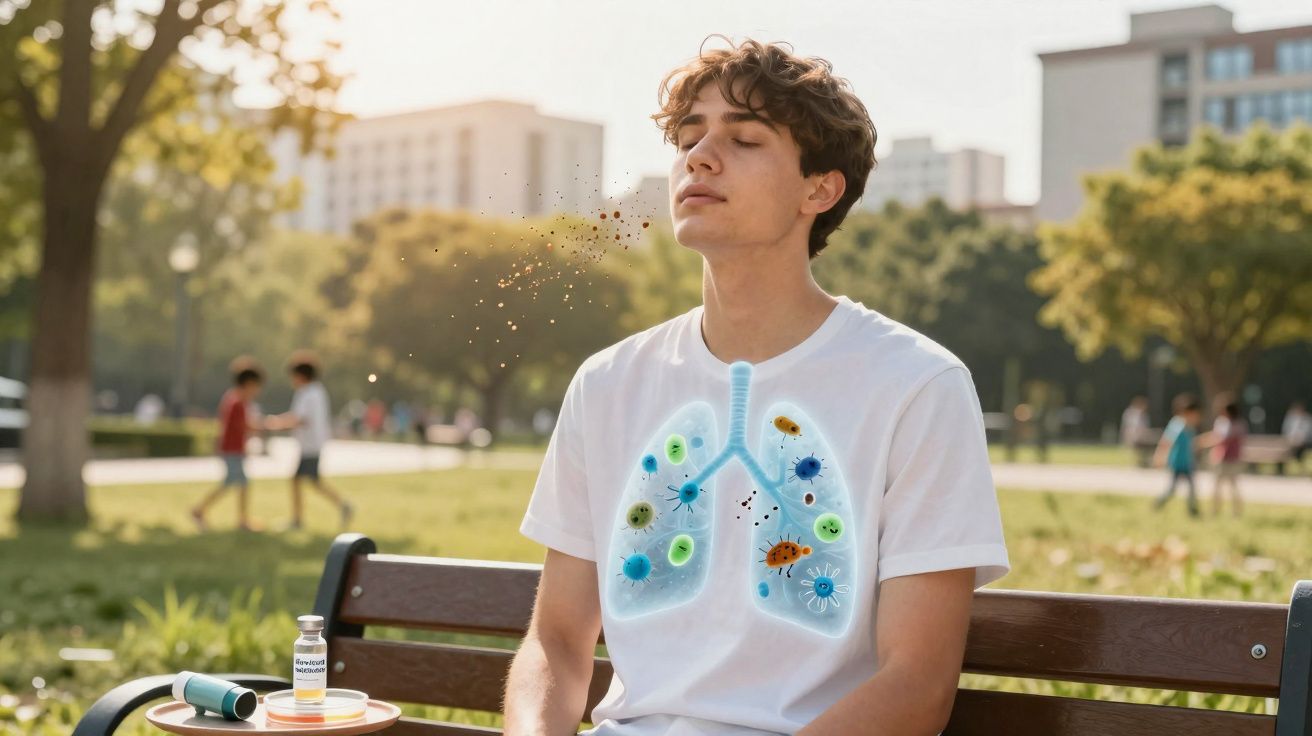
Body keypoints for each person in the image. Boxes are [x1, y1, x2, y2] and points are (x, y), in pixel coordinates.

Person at [504, 38, 1010, 736]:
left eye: (743, 139)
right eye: (689, 137)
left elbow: (916, 686)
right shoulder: (608, 382)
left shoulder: (917, 386)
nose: (700, 156)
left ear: (819, 189)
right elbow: (557, 639)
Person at [266, 354, 353, 530]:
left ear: (301, 375)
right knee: (311, 481)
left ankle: (299, 520)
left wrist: (274, 423)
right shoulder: (317, 391)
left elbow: (300, 418)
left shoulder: (307, 393)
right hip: (313, 444)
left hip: (310, 446)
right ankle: (341, 506)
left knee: (300, 480)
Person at [191, 358, 265, 532]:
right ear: (249, 383)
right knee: (232, 483)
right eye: (256, 386)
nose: (257, 391)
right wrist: (266, 425)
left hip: (233, 449)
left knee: (239, 483)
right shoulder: (237, 402)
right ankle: (199, 510)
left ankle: (242, 519)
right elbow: (244, 426)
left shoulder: (233, 398)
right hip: (232, 449)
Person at [1152, 393, 1202, 518]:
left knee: (1192, 488)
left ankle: (1193, 510)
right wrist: (1159, 457)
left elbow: (1190, 444)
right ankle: (1158, 503)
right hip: (1177, 463)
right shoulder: (1177, 425)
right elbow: (1166, 442)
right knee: (1172, 489)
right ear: (1187, 412)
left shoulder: (1190, 427)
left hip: (1188, 463)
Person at [1202, 396, 1246, 518]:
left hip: (1231, 459)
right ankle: (1215, 510)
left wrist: (1203, 442)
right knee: (1217, 486)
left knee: (1232, 486)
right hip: (1222, 458)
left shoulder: (1236, 424)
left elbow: (1221, 438)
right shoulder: (1223, 422)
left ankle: (1235, 512)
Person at [1283, 401, 1311, 467]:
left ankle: (1297, 462)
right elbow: (1286, 430)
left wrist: (1300, 439)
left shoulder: (1307, 419)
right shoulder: (1291, 419)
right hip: (1292, 441)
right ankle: (1293, 463)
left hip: (1305, 442)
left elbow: (1308, 432)